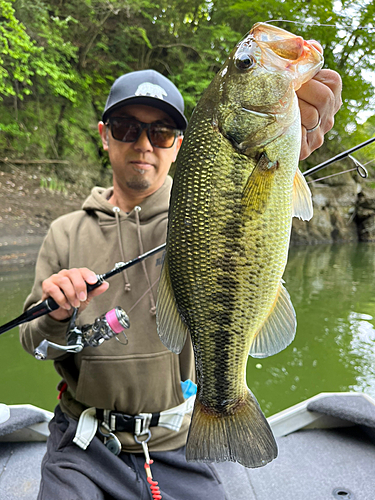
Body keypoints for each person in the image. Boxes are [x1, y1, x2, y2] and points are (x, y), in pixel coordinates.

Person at [20, 61, 342, 500]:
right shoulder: (64, 232)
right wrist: (54, 316)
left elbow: (255, 210)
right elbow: (34, 344)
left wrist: (286, 147)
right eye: (126, 127)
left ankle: (224, 399)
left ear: (181, 146)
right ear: (103, 134)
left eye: (162, 133)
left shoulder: (201, 206)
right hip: (81, 443)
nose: (144, 145)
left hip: (179, 442)